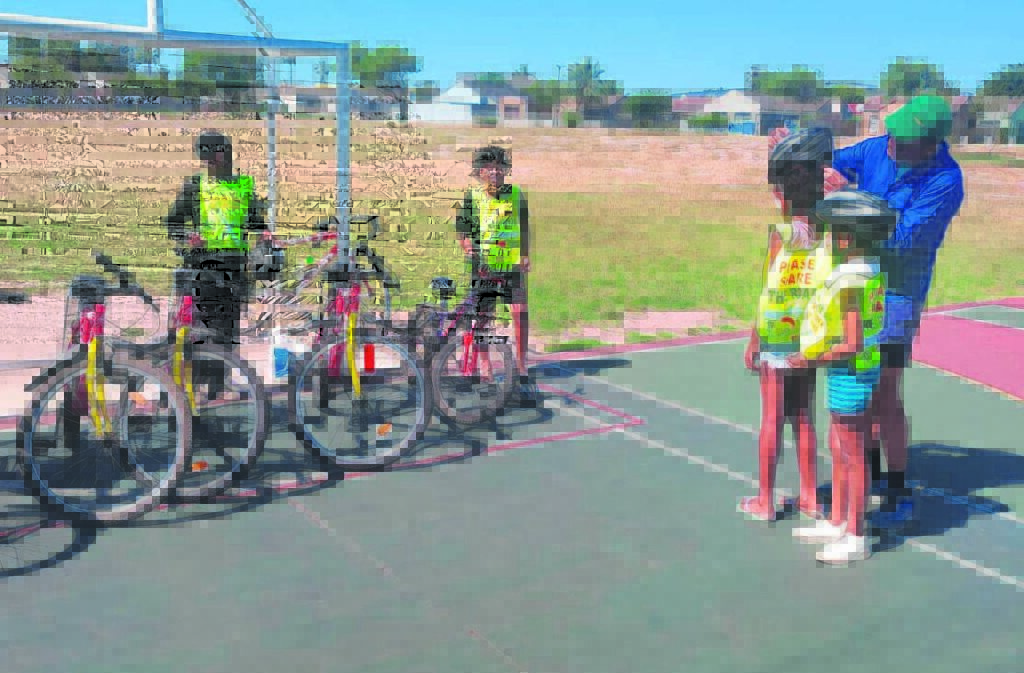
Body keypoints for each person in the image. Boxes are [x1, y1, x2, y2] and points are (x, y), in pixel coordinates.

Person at [771, 95, 965, 529]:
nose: (891, 144)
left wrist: (852, 194)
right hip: (853, 284)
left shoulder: (945, 180)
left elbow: (902, 241)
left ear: (930, 143)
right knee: (856, 396)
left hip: (894, 294)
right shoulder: (877, 147)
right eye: (892, 133)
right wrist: (793, 153)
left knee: (884, 393)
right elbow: (826, 165)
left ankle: (896, 488)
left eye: (903, 139)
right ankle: (867, 477)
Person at [788, 189, 898, 565]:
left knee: (853, 454)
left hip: (850, 372)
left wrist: (810, 358)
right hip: (854, 371)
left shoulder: (851, 280)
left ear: (847, 237)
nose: (829, 239)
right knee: (839, 446)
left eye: (833, 232)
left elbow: (851, 342)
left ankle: (855, 533)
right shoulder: (870, 269)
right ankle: (837, 520)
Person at [740, 128, 835, 522]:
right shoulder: (826, 233)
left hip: (778, 336)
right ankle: (811, 495)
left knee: (771, 419)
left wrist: (753, 340)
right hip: (809, 336)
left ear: (781, 193)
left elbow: (770, 295)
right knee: (803, 416)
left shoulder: (780, 237)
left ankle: (765, 498)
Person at [164, 130, 268, 348]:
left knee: (227, 332)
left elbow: (256, 222)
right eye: (205, 156)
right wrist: (187, 237)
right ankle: (199, 375)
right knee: (201, 330)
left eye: (215, 154)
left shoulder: (243, 185)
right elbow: (173, 223)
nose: (210, 161)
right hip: (203, 267)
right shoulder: (195, 186)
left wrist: (263, 235)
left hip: (234, 268)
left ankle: (223, 379)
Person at [454, 145, 535, 406]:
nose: (494, 172)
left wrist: (525, 253)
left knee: (520, 312)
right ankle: (486, 368)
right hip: (484, 266)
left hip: (512, 267)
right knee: (483, 318)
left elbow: (524, 228)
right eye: (488, 167)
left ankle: (522, 367)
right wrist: (467, 247)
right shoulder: (472, 196)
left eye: (499, 167)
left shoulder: (517, 194)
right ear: (479, 171)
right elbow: (463, 232)